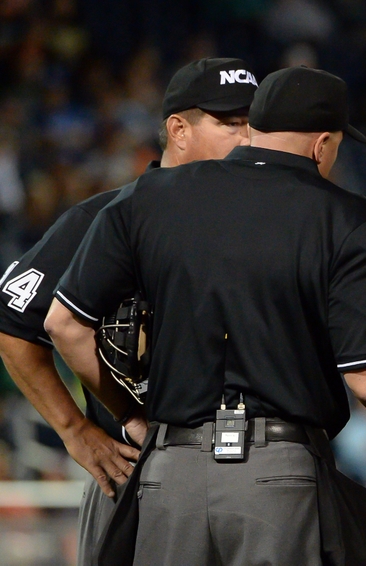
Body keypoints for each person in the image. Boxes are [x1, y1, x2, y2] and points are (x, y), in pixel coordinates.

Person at [44, 66, 366, 566]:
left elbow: (64, 324)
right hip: (277, 476)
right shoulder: (346, 217)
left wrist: (129, 412)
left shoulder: (150, 197)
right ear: (323, 144)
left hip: (170, 472)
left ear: (254, 127)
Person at [0, 56, 257, 565]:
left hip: (254, 474)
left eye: (255, 124)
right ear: (178, 130)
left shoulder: (273, 225)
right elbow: (14, 325)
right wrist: (76, 431)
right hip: (138, 470)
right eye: (231, 124)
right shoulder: (102, 219)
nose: (249, 139)